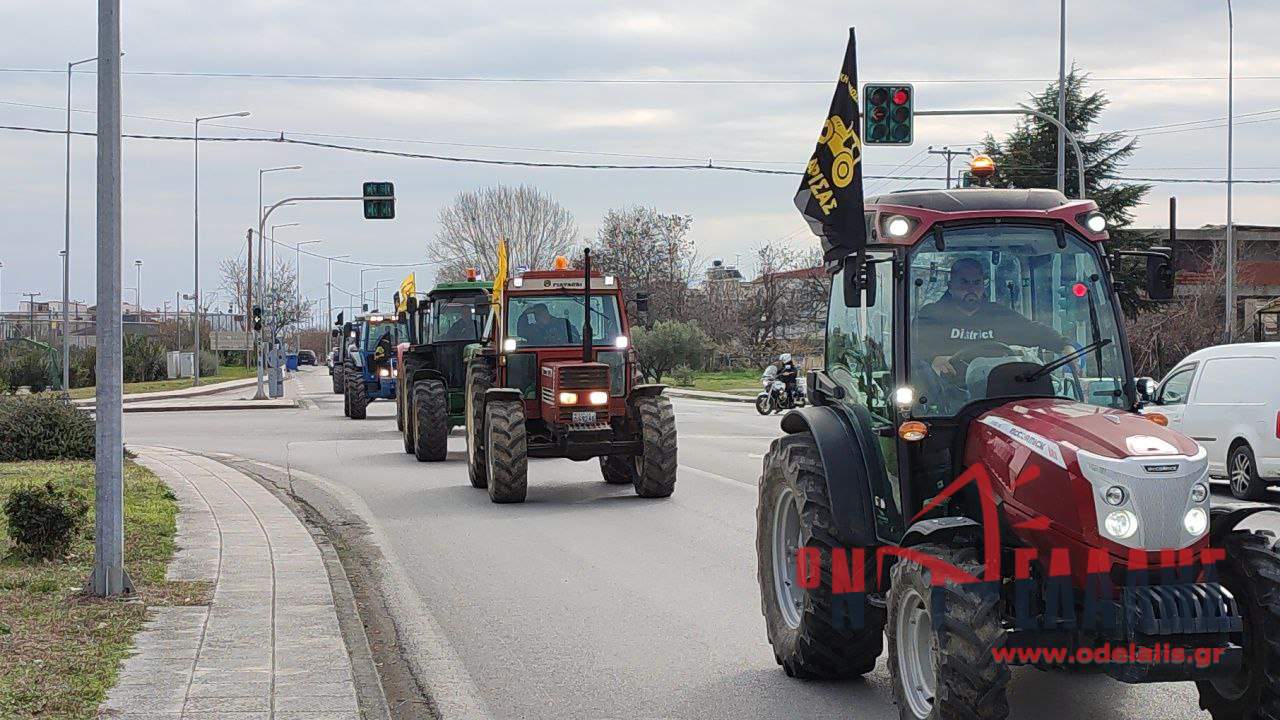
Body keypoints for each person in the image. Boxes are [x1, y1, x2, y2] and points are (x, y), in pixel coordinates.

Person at [915, 257, 1075, 381]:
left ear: (983, 285)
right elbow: (910, 345)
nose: (971, 288)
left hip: (994, 392)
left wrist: (1065, 346)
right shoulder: (931, 315)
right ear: (950, 286)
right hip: (945, 397)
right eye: (964, 282)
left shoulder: (998, 315)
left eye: (976, 283)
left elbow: (1033, 330)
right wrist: (933, 359)